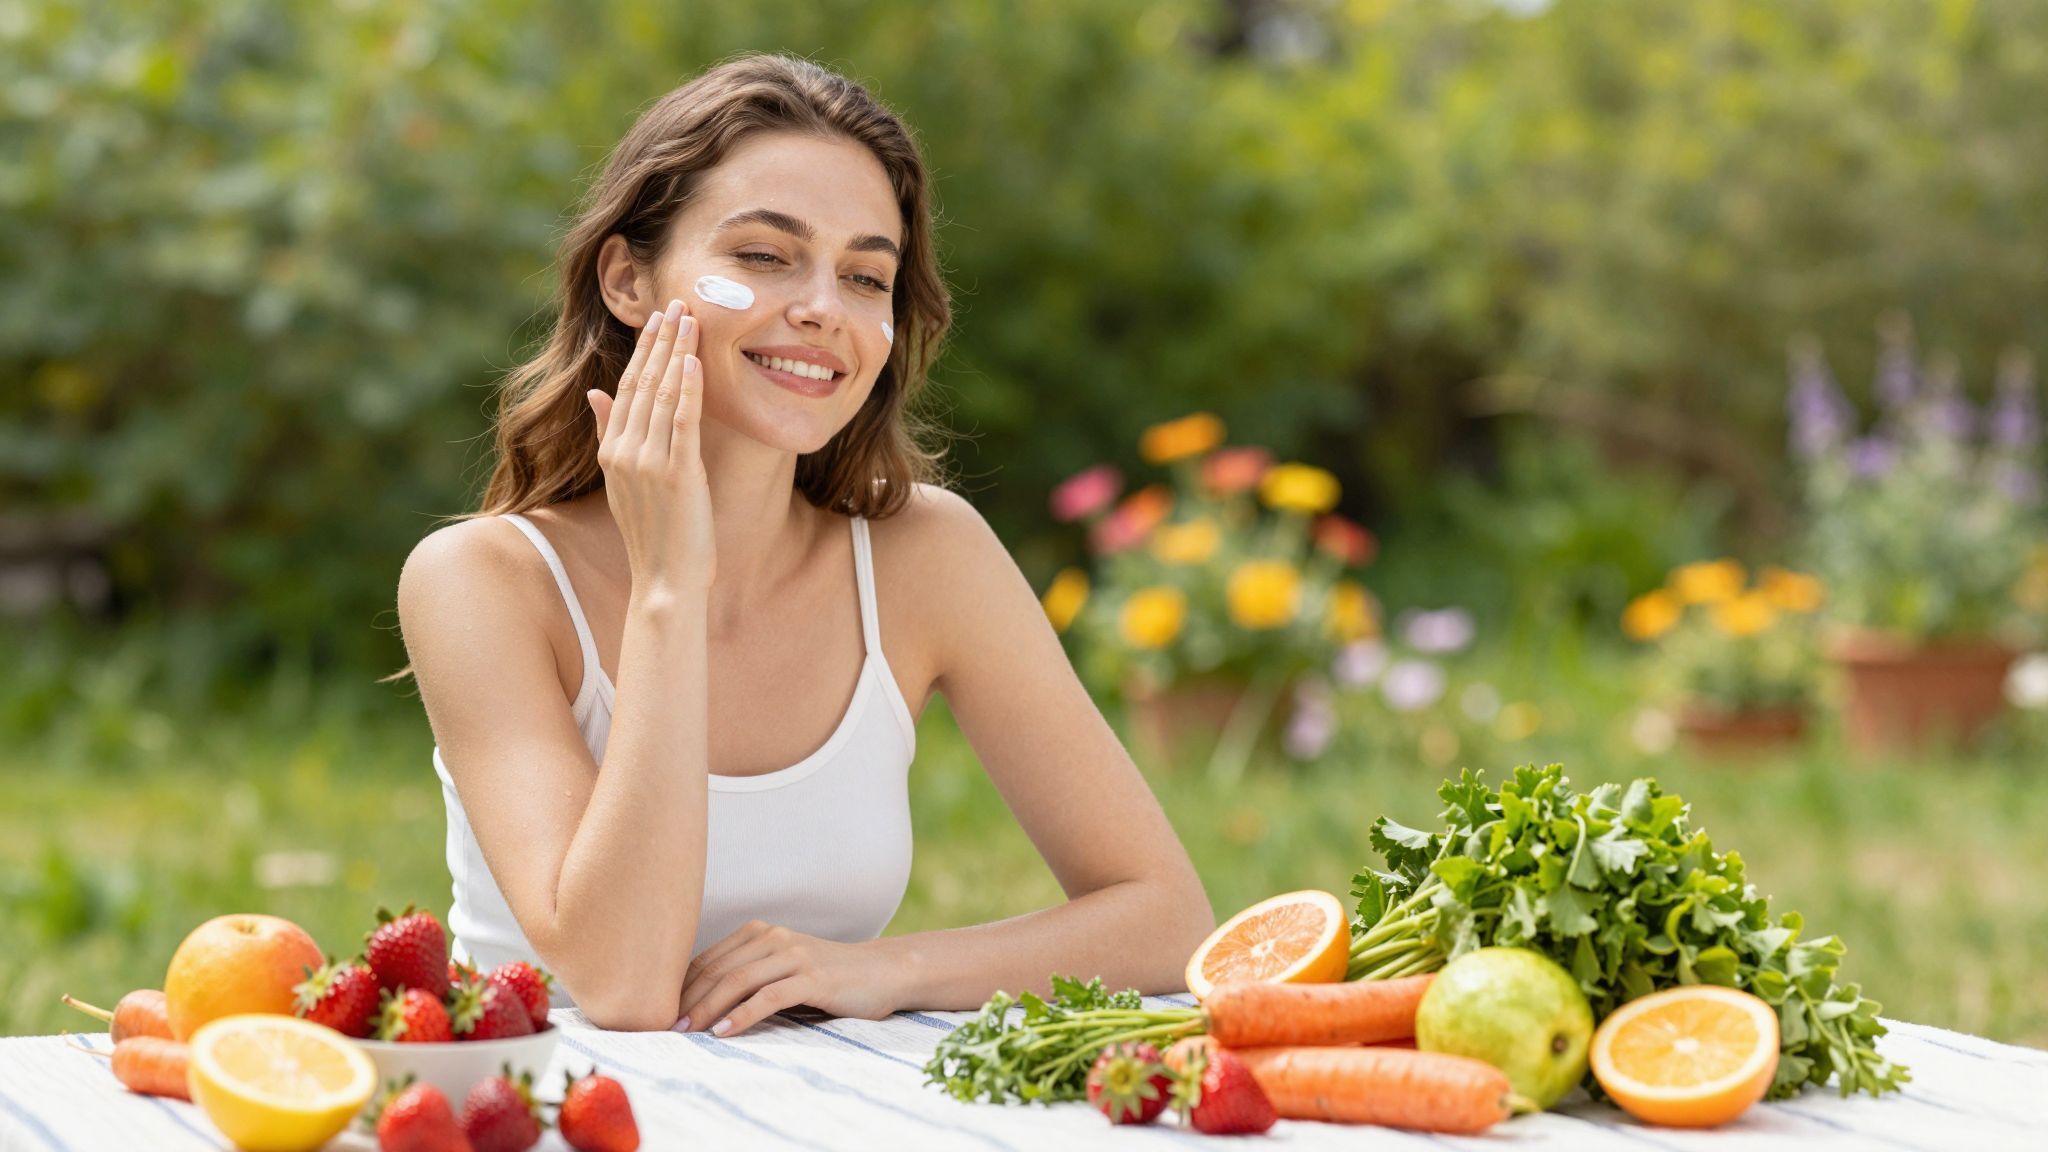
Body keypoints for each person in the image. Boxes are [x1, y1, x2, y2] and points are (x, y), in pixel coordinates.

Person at [395, 54, 1212, 1034]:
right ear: (626, 280)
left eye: (866, 274)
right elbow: (621, 984)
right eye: (763, 256)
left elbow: (1167, 918)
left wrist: (882, 970)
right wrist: (668, 591)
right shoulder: (482, 581)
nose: (825, 307)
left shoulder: (926, 555)